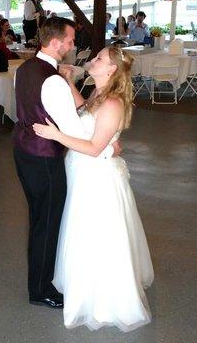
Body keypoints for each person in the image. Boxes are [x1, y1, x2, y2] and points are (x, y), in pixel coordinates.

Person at [32, 45, 153, 332]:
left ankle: (102, 296)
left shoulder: (113, 103)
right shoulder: (99, 94)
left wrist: (55, 135)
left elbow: (95, 147)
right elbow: (83, 111)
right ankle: (82, 282)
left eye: (99, 58)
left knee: (95, 233)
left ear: (111, 69)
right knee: (81, 230)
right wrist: (70, 83)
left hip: (96, 178)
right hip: (82, 173)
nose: (93, 60)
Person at [13, 17, 114, 311]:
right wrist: (105, 140)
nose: (72, 45)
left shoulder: (26, 68)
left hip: (23, 151)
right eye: (70, 41)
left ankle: (40, 280)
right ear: (56, 43)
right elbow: (73, 130)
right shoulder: (53, 80)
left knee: (38, 217)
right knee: (46, 222)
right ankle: (41, 290)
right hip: (45, 157)